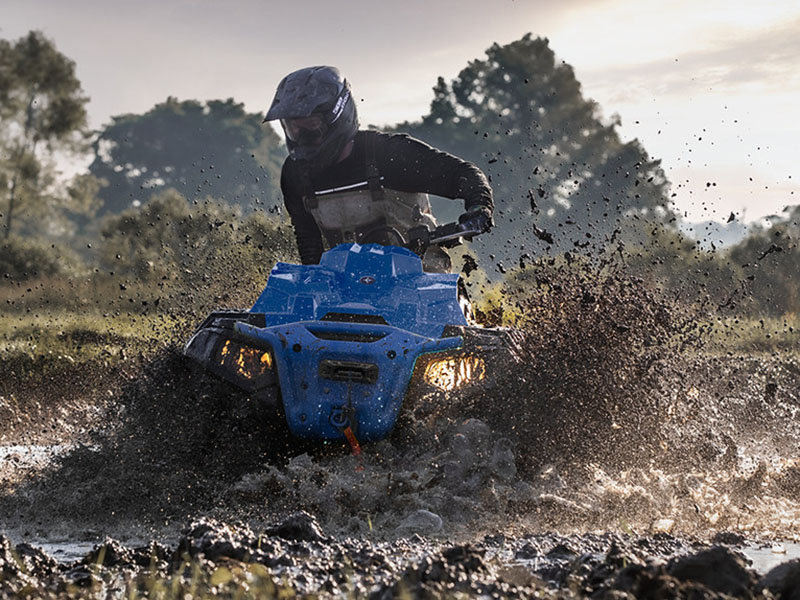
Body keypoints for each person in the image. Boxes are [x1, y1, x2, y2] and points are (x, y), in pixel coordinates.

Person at [264, 65, 494, 272]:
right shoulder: (296, 174)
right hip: (346, 287)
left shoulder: (391, 155)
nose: (302, 137)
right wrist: (312, 282)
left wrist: (480, 208)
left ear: (337, 117)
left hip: (420, 281)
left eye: (311, 126)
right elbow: (307, 238)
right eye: (294, 129)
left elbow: (464, 173)